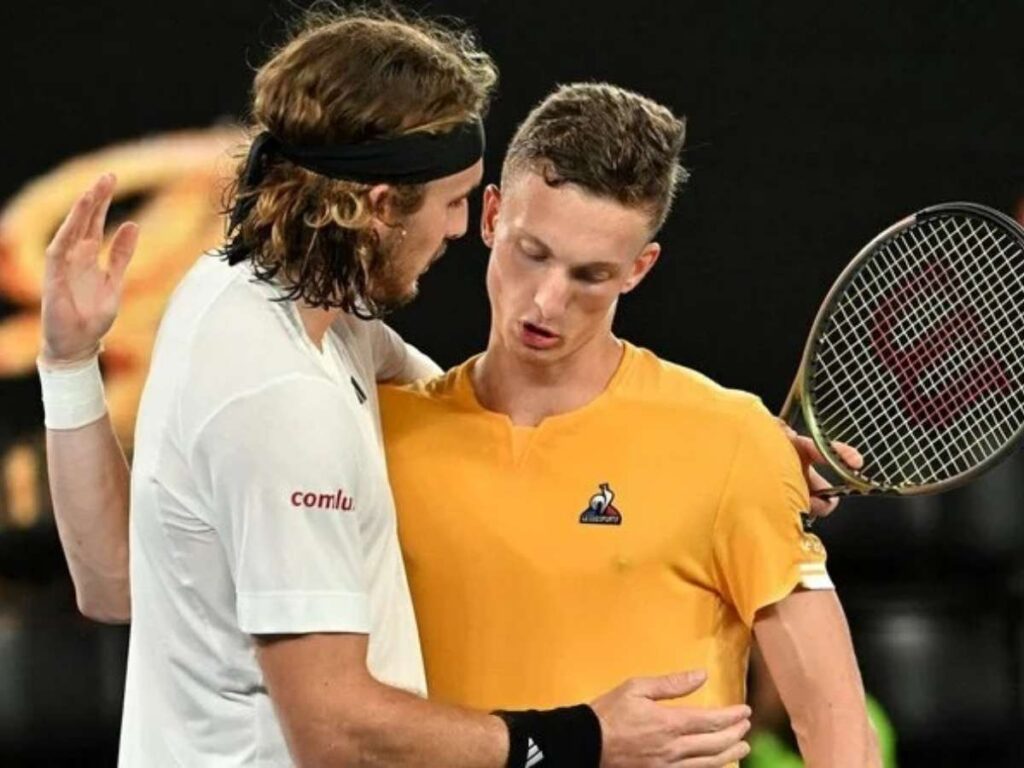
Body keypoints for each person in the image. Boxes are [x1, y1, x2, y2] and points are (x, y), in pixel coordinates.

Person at [37, 7, 757, 768]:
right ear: (381, 207)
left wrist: (742, 449)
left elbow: (117, 583)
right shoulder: (282, 403)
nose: (455, 232)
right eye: (453, 202)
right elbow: (337, 734)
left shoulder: (242, 291)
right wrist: (585, 738)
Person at [378, 82, 879, 767]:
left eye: (591, 274)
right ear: (491, 215)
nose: (549, 301)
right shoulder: (386, 431)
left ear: (638, 270)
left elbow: (836, 723)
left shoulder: (731, 440)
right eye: (533, 251)